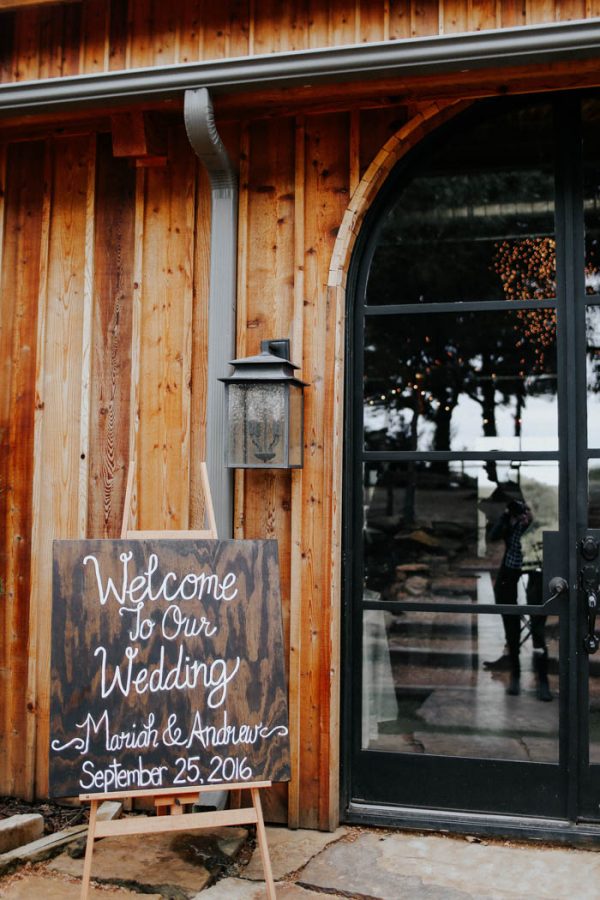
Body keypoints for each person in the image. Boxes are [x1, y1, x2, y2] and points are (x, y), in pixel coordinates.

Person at [488, 497, 533, 696]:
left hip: (534, 573)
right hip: (510, 571)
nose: (522, 513)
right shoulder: (512, 523)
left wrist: (530, 522)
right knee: (508, 614)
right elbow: (493, 535)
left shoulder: (535, 526)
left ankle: (536, 676)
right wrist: (507, 515)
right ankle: (514, 668)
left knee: (536, 627)